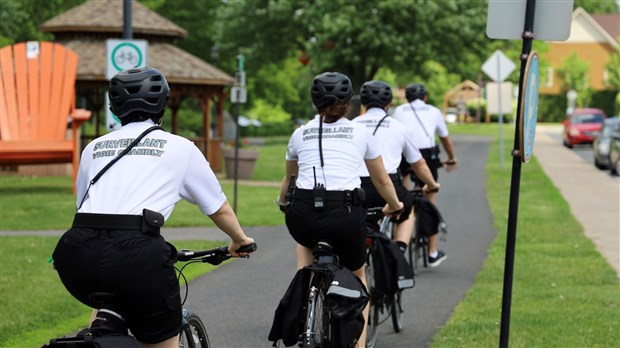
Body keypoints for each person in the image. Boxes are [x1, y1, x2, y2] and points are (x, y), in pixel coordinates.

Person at [52, 67, 255, 348]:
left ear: (115, 108)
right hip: (138, 255)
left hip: (77, 251)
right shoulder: (181, 148)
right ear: (163, 104)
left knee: (104, 302)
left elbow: (85, 207)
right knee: (160, 340)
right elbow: (218, 209)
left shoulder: (93, 148)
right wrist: (239, 240)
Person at [277, 72, 403, 347]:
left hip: (303, 213)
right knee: (358, 276)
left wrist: (283, 203)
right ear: (348, 102)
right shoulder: (361, 132)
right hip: (344, 214)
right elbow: (381, 180)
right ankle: (358, 344)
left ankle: (306, 282)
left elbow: (290, 179)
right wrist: (395, 205)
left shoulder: (299, 133)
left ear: (314, 102)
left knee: (304, 242)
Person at [354, 80, 440, 254]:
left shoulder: (351, 125)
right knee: (406, 210)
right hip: (389, 186)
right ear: (389, 103)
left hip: (357, 188)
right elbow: (419, 164)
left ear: (363, 102)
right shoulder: (399, 127)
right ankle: (398, 251)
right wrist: (432, 185)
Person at [393, 82, 457, 267]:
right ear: (425, 98)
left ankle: (400, 232)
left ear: (406, 98)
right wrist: (452, 157)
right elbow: (445, 138)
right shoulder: (434, 111)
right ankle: (432, 252)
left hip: (404, 152)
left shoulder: (399, 111)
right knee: (430, 200)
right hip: (427, 155)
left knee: (403, 196)